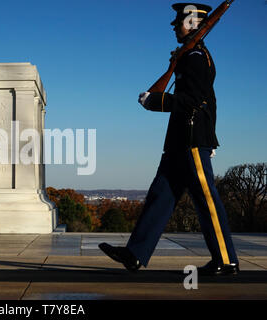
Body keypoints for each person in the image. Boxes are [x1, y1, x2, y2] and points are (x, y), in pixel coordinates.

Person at [99, 3, 239, 275]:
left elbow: (197, 101)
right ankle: (135, 253)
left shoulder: (196, 57)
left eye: (179, 22)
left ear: (193, 24)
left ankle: (226, 260)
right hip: (179, 140)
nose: (175, 26)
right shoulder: (189, 56)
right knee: (161, 195)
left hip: (191, 139)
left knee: (206, 200)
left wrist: (156, 101)